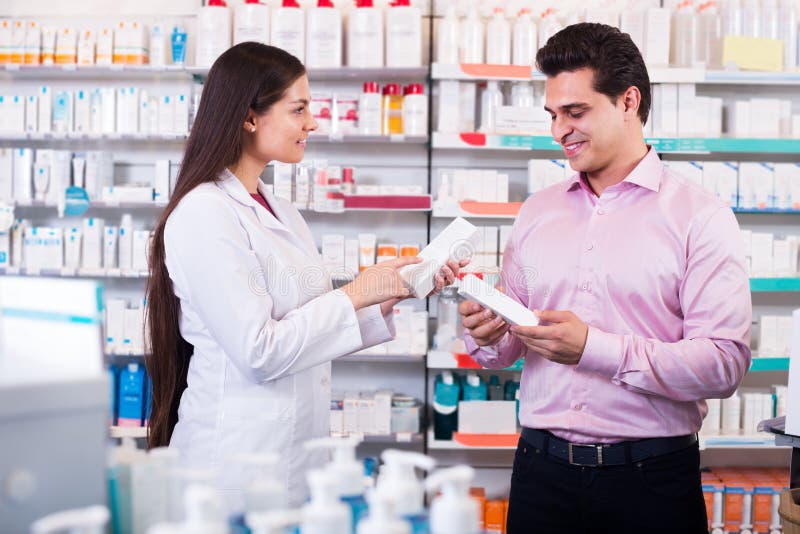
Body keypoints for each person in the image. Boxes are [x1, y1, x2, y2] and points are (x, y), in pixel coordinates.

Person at [459, 23, 752, 534]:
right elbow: (504, 350)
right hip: (539, 473)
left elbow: (724, 363)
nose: (558, 131)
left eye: (575, 112)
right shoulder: (537, 212)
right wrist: (485, 333)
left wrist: (593, 348)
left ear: (628, 101)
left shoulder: (699, 216)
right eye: (553, 115)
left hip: (650, 482)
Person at [145, 42, 463, 509]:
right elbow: (259, 350)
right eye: (299, 109)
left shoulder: (282, 211)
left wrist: (395, 290)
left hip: (293, 457)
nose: (312, 123)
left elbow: (308, 319)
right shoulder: (203, 214)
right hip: (233, 465)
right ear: (250, 116)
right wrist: (357, 291)